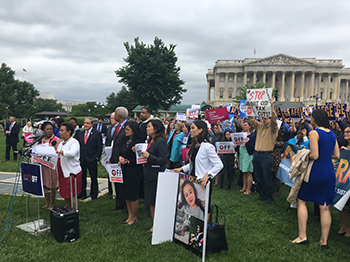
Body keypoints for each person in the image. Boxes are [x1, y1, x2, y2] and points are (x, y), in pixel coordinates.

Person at [292, 109, 340, 248]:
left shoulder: (314, 133)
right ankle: (323, 241)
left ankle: (302, 236)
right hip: (329, 172)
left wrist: (304, 152)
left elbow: (314, 155)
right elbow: (336, 155)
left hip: (316, 171)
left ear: (315, 119)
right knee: (324, 207)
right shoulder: (332, 134)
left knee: (301, 200)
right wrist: (325, 155)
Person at [174, 120, 223, 189]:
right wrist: (181, 169)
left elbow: (219, 165)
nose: (190, 130)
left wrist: (207, 174)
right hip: (192, 180)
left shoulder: (207, 146)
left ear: (200, 130)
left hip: (202, 183)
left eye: (193, 128)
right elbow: (195, 163)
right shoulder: (194, 146)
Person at [249, 98, 278, 204]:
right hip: (257, 155)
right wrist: (249, 107)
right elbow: (251, 120)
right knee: (258, 177)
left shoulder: (273, 128)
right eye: (263, 118)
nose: (264, 120)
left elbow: (274, 119)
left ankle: (269, 197)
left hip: (266, 155)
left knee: (267, 177)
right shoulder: (260, 126)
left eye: (266, 118)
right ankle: (262, 194)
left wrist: (272, 106)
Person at [142, 119, 167, 233]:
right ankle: (154, 222)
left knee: (154, 200)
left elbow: (162, 160)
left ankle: (157, 223)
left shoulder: (160, 141)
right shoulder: (151, 141)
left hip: (155, 175)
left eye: (149, 126)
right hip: (149, 174)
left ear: (156, 129)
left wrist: (148, 156)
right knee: (150, 200)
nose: (147, 128)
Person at [118, 121, 143, 225]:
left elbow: (140, 160)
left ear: (134, 130)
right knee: (126, 194)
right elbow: (122, 151)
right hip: (125, 169)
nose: (126, 131)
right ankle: (129, 216)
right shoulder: (126, 140)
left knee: (132, 195)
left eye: (128, 129)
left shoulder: (138, 143)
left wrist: (128, 161)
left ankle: (134, 216)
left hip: (134, 170)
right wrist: (120, 158)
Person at [56, 122, 82, 209]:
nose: (59, 132)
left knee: (73, 195)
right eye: (60, 130)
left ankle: (75, 213)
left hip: (72, 172)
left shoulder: (74, 142)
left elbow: (72, 153)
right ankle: (68, 211)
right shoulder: (61, 143)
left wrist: (60, 152)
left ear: (69, 132)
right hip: (63, 172)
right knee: (65, 195)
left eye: (62, 130)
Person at [77, 117, 103, 200]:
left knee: (93, 177)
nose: (85, 125)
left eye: (87, 123)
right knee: (82, 177)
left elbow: (99, 147)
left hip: (92, 159)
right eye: (84, 123)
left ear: (92, 124)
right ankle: (82, 193)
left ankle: (94, 194)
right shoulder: (80, 134)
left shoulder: (96, 133)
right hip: (82, 159)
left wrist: (96, 157)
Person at [38, 122, 61, 209]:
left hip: (52, 166)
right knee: (45, 184)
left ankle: (52, 203)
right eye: (47, 129)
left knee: (52, 185)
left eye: (51, 129)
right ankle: (47, 202)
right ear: (43, 130)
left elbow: (58, 153)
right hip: (42, 166)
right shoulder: (40, 140)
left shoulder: (56, 140)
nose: (49, 131)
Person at [110, 107, 129, 211]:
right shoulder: (117, 127)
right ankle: (118, 204)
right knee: (116, 182)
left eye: (115, 114)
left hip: (123, 158)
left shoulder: (127, 126)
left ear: (120, 116)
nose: (114, 116)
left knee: (123, 184)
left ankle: (125, 205)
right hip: (115, 158)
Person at [335, 125, 350, 238]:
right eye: (345, 132)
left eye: (348, 132)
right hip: (343, 180)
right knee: (342, 206)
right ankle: (343, 226)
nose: (345, 134)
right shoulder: (343, 147)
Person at [239, 120, 256, 194]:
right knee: (244, 172)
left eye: (246, 125)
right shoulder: (242, 134)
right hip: (242, 155)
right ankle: (244, 187)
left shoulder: (252, 136)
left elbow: (252, 147)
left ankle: (249, 189)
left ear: (250, 126)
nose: (244, 126)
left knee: (248, 172)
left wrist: (247, 143)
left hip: (248, 155)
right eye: (243, 125)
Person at [271, 130, 284, 197]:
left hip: (277, 160)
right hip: (271, 159)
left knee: (277, 177)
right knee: (272, 176)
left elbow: (275, 144)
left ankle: (277, 191)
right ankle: (272, 190)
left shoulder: (281, 143)